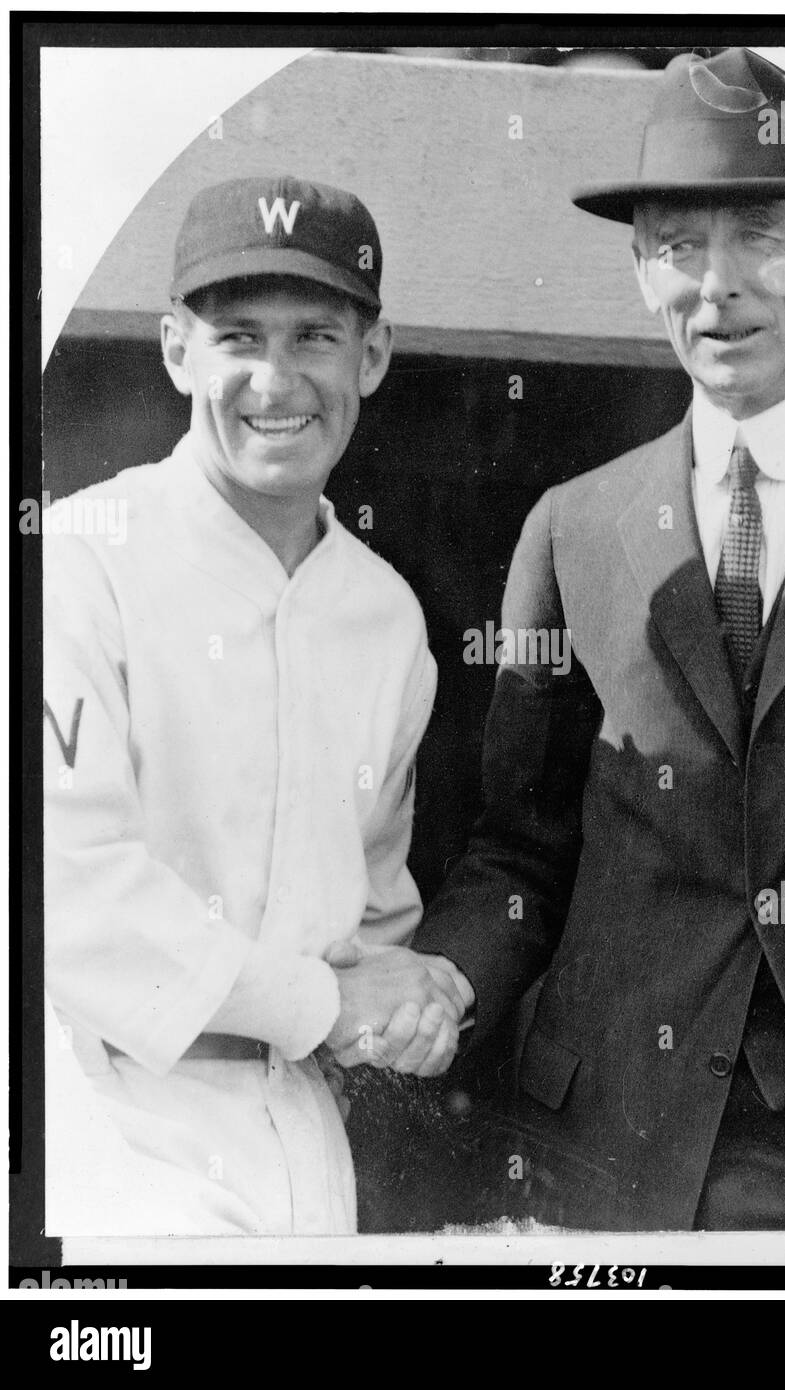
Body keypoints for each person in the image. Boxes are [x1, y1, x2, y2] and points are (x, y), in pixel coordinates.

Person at [413, 48, 785, 1231]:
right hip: (599, 1157)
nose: (717, 285)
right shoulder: (572, 526)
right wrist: (442, 980)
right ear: (641, 273)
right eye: (679, 246)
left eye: (759, 236)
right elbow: (520, 857)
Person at [43, 175, 471, 1237]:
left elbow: (373, 912)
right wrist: (329, 1003)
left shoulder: (384, 614)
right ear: (175, 349)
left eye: (315, 336)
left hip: (301, 1132)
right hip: (109, 1119)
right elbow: (63, 896)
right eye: (237, 336)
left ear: (371, 356)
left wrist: (408, 1005)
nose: (275, 382)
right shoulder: (79, 563)